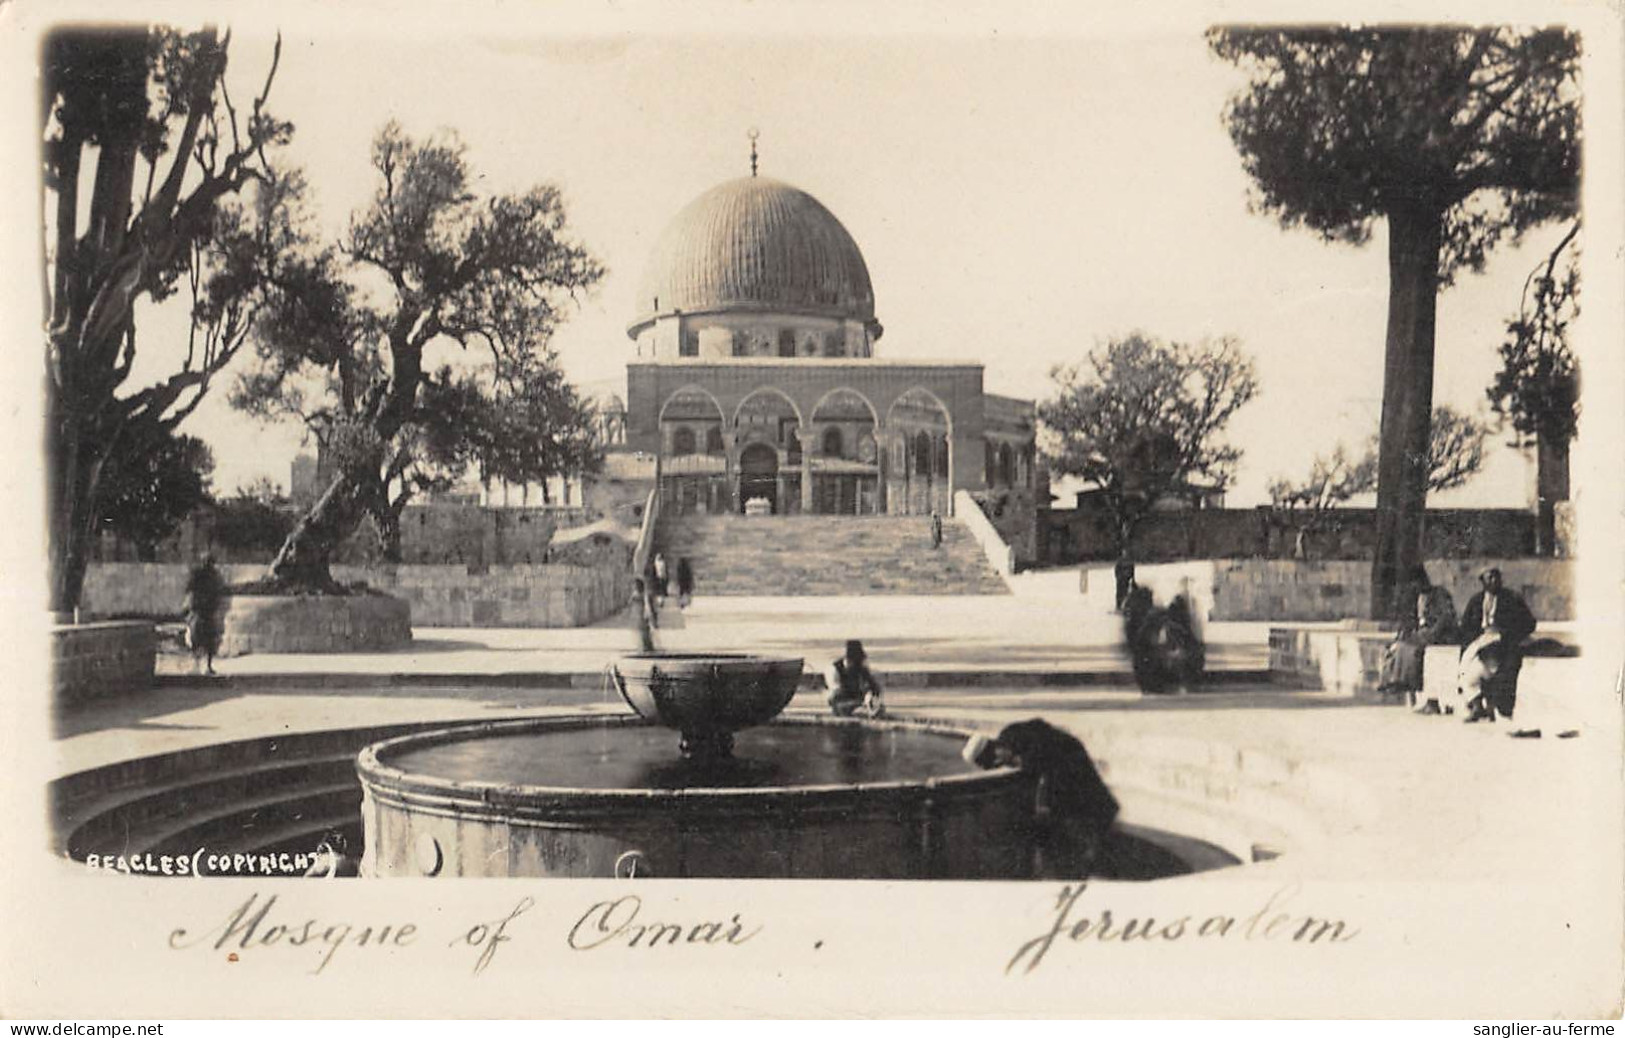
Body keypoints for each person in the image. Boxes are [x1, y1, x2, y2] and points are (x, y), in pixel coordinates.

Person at [963, 719, 1120, 878]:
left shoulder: (1013, 739)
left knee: (1082, 810)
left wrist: (1042, 803)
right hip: (1068, 760)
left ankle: (1094, 859)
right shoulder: (1011, 738)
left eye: (995, 762)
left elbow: (1039, 765)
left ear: (993, 750)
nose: (1001, 764)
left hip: (1068, 763)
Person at [1455, 567, 1537, 722]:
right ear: (1482, 581)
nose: (1494, 581)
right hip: (1480, 641)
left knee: (1497, 672)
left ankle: (1494, 708)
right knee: (1466, 672)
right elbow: (1465, 626)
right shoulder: (1476, 600)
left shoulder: (1512, 598)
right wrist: (1473, 639)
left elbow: (1529, 623)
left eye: (1496, 577)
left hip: (1503, 642)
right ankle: (1477, 706)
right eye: (1489, 578)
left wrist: (1508, 634)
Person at [1377, 566, 1458, 705]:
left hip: (1438, 635)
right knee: (1394, 647)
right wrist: (1403, 633)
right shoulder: (1414, 597)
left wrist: (1431, 634)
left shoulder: (1439, 594)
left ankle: (1403, 683)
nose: (1413, 586)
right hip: (1421, 634)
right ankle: (1393, 683)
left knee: (1409, 649)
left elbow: (1446, 618)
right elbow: (1409, 620)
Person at [183, 555, 225, 675]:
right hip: (201, 611)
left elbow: (217, 593)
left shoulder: (212, 576)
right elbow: (190, 591)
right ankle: (200, 665)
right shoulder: (201, 575)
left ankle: (205, 666)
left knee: (205, 640)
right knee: (199, 639)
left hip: (205, 611)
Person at [826, 640, 886, 718]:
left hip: (859, 702)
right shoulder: (834, 670)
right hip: (841, 704)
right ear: (849, 659)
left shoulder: (861, 668)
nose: (857, 664)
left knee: (878, 709)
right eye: (855, 661)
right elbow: (835, 695)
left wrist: (871, 696)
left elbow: (874, 687)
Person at [630, 578, 657, 651]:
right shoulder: (636, 594)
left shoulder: (644, 595)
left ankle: (647, 645)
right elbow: (631, 602)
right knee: (641, 630)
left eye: (636, 585)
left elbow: (647, 604)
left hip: (642, 613)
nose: (635, 587)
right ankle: (644, 645)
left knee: (644, 630)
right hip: (638, 614)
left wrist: (648, 613)